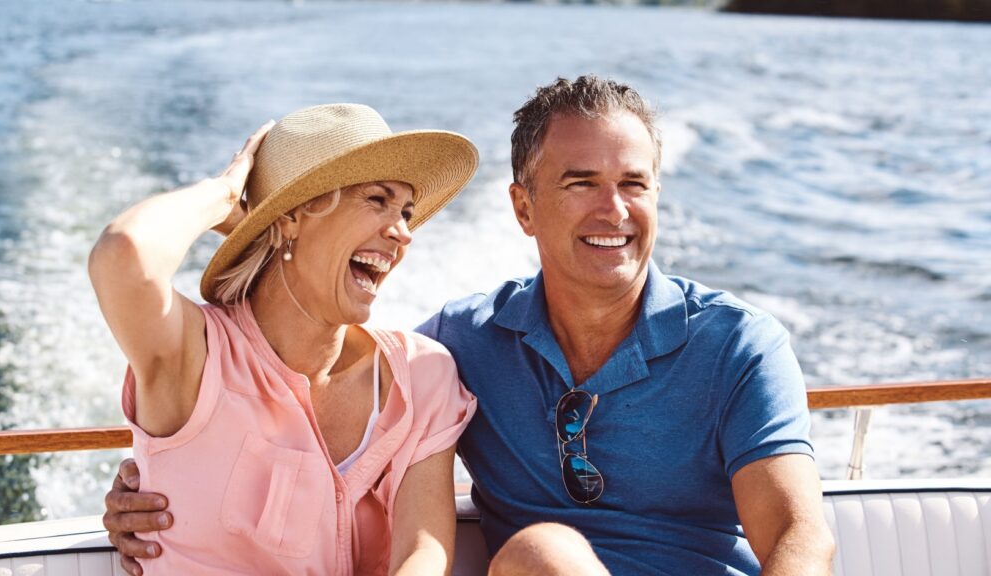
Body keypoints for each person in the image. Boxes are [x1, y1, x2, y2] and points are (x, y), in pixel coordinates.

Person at [104, 77, 836, 575]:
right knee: (543, 556)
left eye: (634, 184)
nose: (613, 210)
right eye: (581, 183)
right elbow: (141, 273)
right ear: (522, 209)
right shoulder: (458, 348)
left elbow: (800, 536)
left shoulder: (738, 343)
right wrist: (163, 473)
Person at [89, 103, 479, 575]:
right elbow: (123, 254)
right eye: (377, 200)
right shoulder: (195, 357)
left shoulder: (422, 375)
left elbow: (423, 555)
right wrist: (224, 194)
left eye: (407, 211)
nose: (403, 233)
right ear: (292, 217)